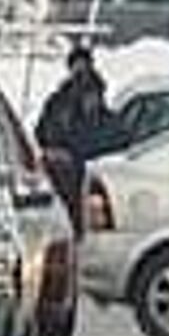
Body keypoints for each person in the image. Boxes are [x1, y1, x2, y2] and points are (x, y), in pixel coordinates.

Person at [36, 43, 111, 231]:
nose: (79, 70)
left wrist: (73, 151)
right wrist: (51, 149)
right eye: (75, 65)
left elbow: (97, 133)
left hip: (82, 167)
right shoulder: (59, 99)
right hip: (59, 168)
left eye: (83, 65)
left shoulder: (93, 97)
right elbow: (42, 130)